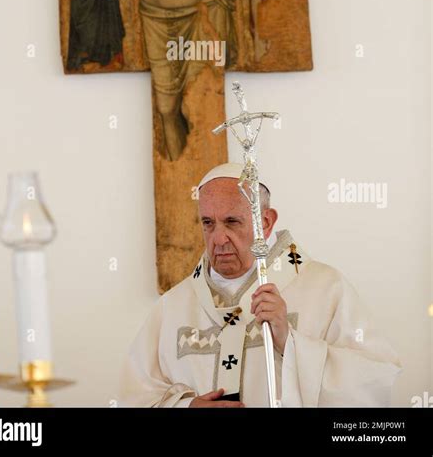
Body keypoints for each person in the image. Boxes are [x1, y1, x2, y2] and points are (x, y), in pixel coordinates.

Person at [116, 163, 401, 408]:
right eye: (208, 223)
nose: (218, 238)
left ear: (265, 222)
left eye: (232, 222)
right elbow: (133, 396)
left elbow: (375, 381)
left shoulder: (326, 288)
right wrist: (186, 405)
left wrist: (289, 343)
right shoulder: (173, 306)